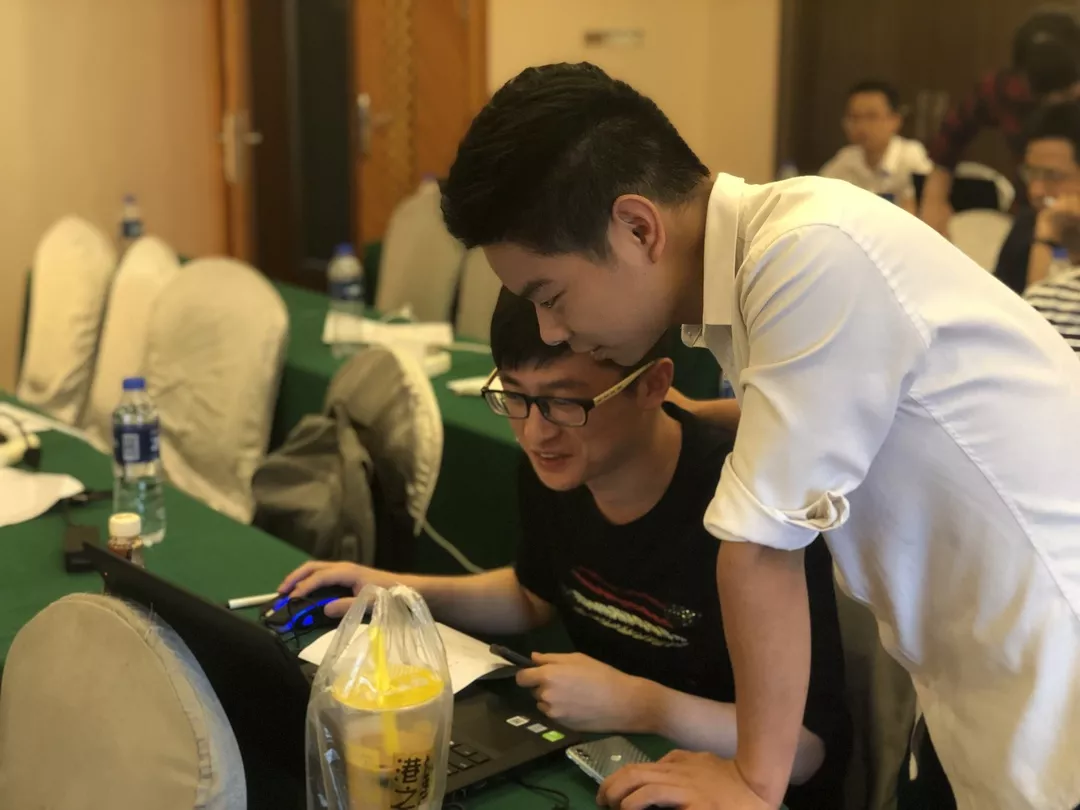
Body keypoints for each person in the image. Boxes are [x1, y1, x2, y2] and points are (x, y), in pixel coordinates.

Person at [439, 62, 1080, 810]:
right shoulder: (766, 254)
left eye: (550, 296)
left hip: (1050, 668)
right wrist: (711, 415)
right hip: (976, 666)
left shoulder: (809, 256)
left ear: (638, 228)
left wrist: (751, 779)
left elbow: (757, 550)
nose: (550, 329)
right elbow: (864, 418)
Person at [278, 289, 850, 809]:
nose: (536, 433)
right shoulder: (558, 465)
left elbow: (806, 750)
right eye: (514, 396)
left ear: (652, 385)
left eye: (564, 403)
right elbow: (534, 595)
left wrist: (643, 704)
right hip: (614, 754)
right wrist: (396, 590)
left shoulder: (748, 513)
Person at [1000, 101, 1080, 291]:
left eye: (1053, 176)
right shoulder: (1027, 224)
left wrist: (1046, 239)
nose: (1035, 191)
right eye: (1031, 174)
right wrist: (1045, 238)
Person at [820, 80, 932, 213]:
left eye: (871, 117)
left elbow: (926, 208)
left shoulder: (912, 156)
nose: (862, 126)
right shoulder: (845, 159)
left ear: (895, 120)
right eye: (854, 117)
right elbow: (819, 199)